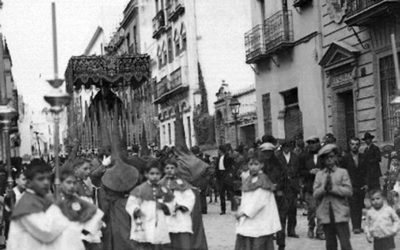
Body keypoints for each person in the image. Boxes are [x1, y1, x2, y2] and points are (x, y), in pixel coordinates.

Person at [7, 161, 69, 250]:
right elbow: (47, 233)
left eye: (48, 178)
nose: (46, 182)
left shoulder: (39, 199)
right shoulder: (27, 204)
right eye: (40, 179)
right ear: (28, 183)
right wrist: (57, 207)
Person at [234, 150, 281, 250]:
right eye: (251, 164)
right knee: (246, 239)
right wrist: (241, 202)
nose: (253, 167)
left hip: (260, 218)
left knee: (258, 242)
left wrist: (244, 213)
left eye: (256, 164)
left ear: (262, 165)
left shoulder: (263, 180)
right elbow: (249, 197)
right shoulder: (248, 179)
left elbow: (260, 201)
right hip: (249, 217)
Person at [126, 160, 174, 250]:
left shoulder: (164, 189)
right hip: (145, 218)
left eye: (157, 174)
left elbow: (171, 202)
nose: (155, 176)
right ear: (146, 174)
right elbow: (131, 203)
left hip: (159, 220)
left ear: (161, 174)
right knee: (145, 242)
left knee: (159, 243)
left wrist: (165, 207)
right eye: (152, 174)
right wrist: (136, 210)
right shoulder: (140, 189)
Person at [313, 144, 353, 250]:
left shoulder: (342, 172)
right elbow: (315, 193)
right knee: (330, 245)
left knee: (345, 243)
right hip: (326, 214)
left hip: (340, 213)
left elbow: (349, 191)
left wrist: (333, 189)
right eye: (326, 158)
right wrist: (323, 189)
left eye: (331, 157)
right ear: (323, 160)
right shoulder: (319, 175)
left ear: (335, 157)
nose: (329, 160)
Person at [55, 169, 104, 250]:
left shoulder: (83, 200)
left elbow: (96, 216)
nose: (71, 186)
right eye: (68, 183)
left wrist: (84, 231)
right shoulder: (56, 202)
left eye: (74, 183)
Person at [160, 159, 195, 250]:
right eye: (167, 168)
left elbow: (190, 197)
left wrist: (183, 206)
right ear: (164, 170)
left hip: (180, 216)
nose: (169, 170)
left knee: (182, 242)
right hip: (165, 216)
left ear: (176, 169)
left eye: (172, 168)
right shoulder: (160, 184)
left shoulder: (182, 183)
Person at [259, 142, 288, 250]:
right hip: (264, 197)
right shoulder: (259, 165)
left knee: (280, 221)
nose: (267, 155)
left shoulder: (279, 164)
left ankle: (281, 244)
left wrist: (278, 187)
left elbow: (284, 179)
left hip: (278, 195)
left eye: (269, 152)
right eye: (265, 152)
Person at [300, 136, 324, 240]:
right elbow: (300, 171)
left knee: (321, 209)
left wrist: (321, 171)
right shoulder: (304, 157)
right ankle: (311, 227)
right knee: (312, 208)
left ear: (318, 143)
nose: (312, 145)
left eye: (314, 142)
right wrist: (309, 172)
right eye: (309, 143)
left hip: (322, 186)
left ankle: (320, 231)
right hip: (309, 186)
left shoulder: (324, 156)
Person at [341, 137, 367, 234]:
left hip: (361, 185)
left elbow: (366, 171)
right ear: (349, 145)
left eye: (356, 144)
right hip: (350, 185)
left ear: (359, 145)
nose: (354, 146)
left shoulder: (363, 156)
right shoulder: (345, 158)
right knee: (353, 205)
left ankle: (359, 226)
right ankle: (355, 226)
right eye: (352, 144)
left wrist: (366, 184)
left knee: (360, 205)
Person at [276, 140, 300, 238]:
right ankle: (280, 231)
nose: (286, 149)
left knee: (292, 210)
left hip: (293, 187)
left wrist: (298, 185)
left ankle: (291, 230)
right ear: (282, 148)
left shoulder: (295, 157)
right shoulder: (278, 158)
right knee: (282, 210)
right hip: (282, 186)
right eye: (285, 147)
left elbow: (298, 171)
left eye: (288, 147)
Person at [4, 168, 27, 238]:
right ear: (16, 180)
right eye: (23, 179)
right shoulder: (12, 194)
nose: (25, 182)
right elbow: (7, 215)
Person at [216, 144, 236, 215]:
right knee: (221, 193)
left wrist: (230, 174)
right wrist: (217, 176)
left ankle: (233, 208)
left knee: (230, 192)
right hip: (220, 176)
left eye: (218, 150)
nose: (218, 151)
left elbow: (232, 166)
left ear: (221, 150)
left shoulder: (228, 157)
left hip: (226, 175)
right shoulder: (218, 158)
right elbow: (217, 168)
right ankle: (223, 209)